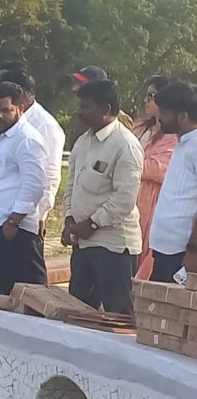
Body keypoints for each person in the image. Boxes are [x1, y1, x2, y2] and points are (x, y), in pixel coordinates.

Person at [62, 81, 143, 314]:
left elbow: (124, 199)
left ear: (106, 109)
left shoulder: (125, 145)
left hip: (113, 245)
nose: (80, 112)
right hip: (83, 242)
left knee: (118, 315)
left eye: (86, 107)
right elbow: (71, 185)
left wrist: (92, 223)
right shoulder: (83, 141)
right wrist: (69, 220)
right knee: (78, 313)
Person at [0, 83, 49, 295]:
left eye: (6, 110)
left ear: (20, 108)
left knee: (19, 295)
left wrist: (13, 222)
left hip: (13, 230)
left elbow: (34, 185)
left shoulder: (27, 139)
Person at [0, 64, 66, 235]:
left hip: (18, 223)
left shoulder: (44, 126)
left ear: (23, 94)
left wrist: (40, 216)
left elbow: (48, 176)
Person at [149, 82, 197, 281]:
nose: (159, 117)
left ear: (183, 116)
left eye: (165, 113)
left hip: (183, 253)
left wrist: (193, 253)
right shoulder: (182, 143)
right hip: (165, 250)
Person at [132, 76, 177, 279]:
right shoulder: (139, 129)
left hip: (155, 205)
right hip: (130, 201)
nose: (146, 100)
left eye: (151, 96)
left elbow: (160, 169)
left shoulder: (175, 137)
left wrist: (130, 166)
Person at [70, 65, 135, 129]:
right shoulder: (79, 114)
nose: (74, 88)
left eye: (81, 83)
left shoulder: (119, 123)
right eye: (75, 83)